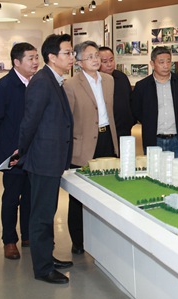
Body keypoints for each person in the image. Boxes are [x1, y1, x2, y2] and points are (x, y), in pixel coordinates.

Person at [17, 34, 75, 284]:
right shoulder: (42, 82)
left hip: (51, 159)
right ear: (52, 57)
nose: (72, 57)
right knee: (41, 215)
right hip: (43, 160)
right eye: (67, 53)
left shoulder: (54, 80)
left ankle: (47, 257)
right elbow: (29, 123)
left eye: (72, 53)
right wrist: (23, 152)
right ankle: (42, 268)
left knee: (48, 211)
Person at [0, 42, 39, 260]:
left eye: (36, 57)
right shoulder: (3, 87)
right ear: (17, 62)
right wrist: (7, 147)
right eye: (30, 58)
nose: (35, 62)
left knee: (30, 196)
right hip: (14, 154)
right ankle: (9, 240)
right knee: (11, 198)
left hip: (35, 152)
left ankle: (28, 236)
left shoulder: (38, 83)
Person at [64, 41, 118, 254]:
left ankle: (104, 238)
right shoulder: (70, 85)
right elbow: (67, 120)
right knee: (78, 196)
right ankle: (78, 241)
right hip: (84, 145)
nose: (95, 60)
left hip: (107, 140)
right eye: (90, 57)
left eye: (96, 55)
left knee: (108, 191)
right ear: (78, 62)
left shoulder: (109, 80)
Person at [131, 46, 178, 157]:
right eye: (161, 62)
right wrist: (149, 122)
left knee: (176, 168)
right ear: (152, 63)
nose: (166, 66)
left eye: (168, 62)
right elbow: (137, 110)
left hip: (176, 140)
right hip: (153, 140)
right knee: (153, 169)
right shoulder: (142, 86)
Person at [99, 46, 135, 139]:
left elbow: (130, 100)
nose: (109, 64)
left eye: (111, 60)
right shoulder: (96, 81)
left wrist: (131, 120)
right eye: (105, 62)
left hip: (124, 129)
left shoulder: (121, 77)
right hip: (106, 130)